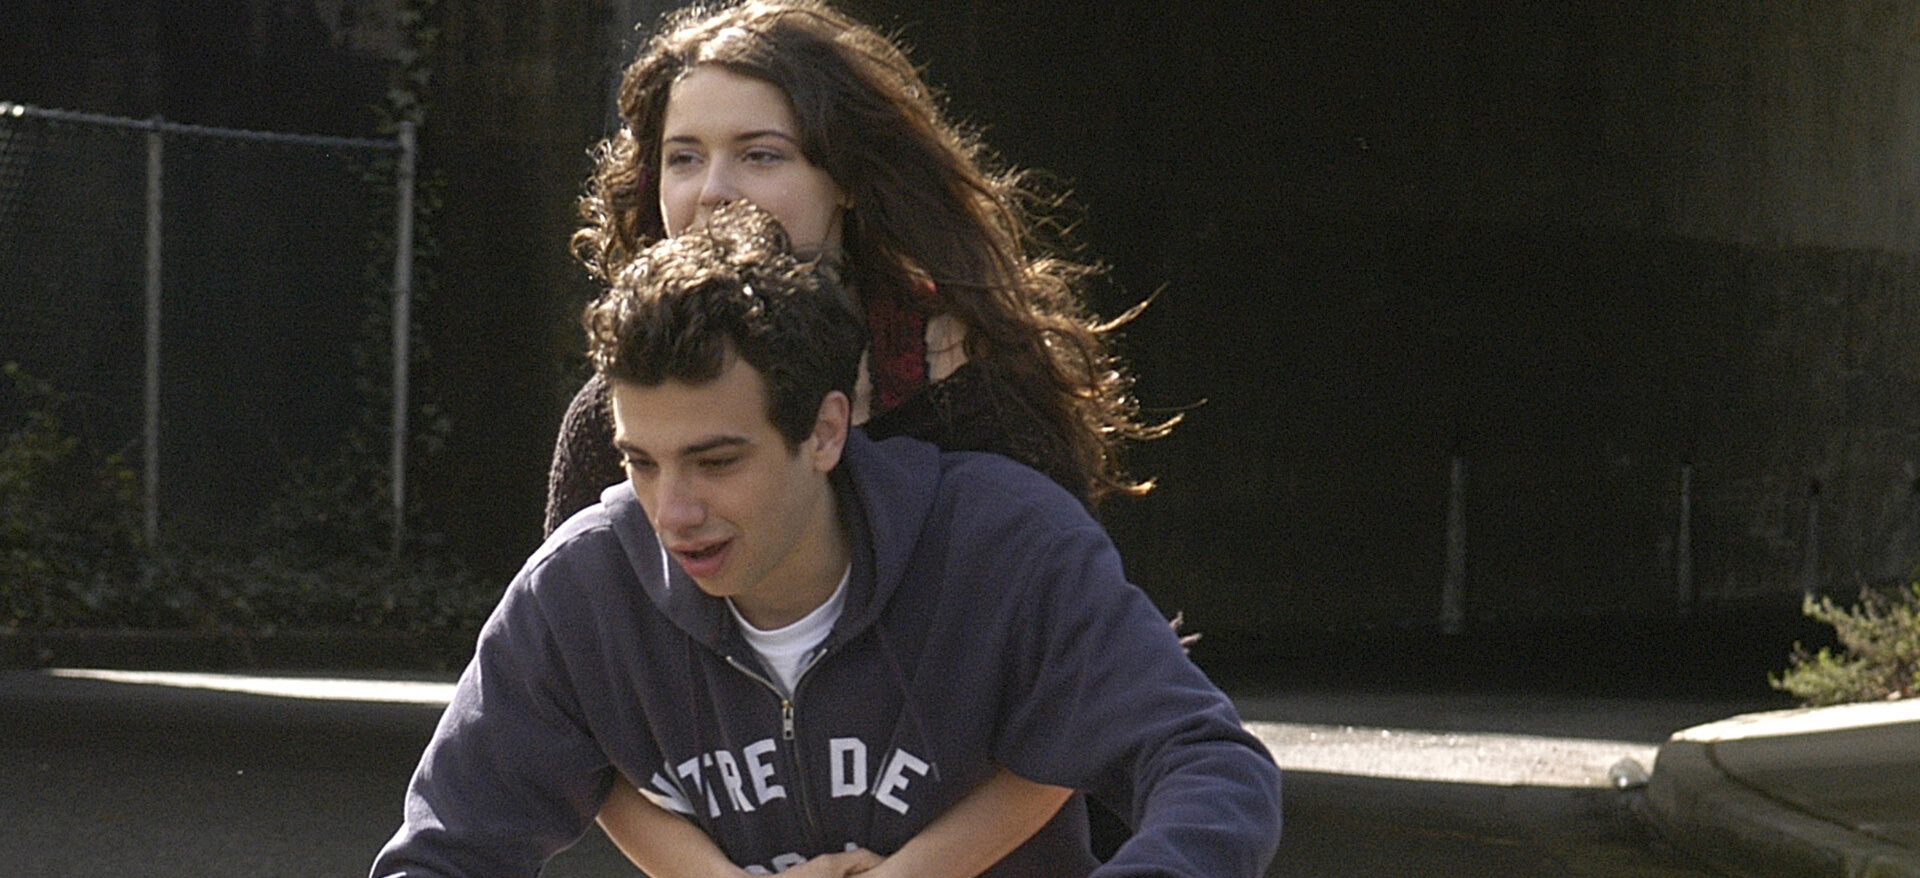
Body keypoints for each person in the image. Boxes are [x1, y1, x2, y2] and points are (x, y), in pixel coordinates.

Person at [372, 205, 1282, 877]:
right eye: (640, 462)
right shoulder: (580, 590)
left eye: (716, 461)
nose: (671, 511)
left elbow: (1211, 765)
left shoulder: (1007, 544)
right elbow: (442, 853)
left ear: (825, 430)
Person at [544, 0, 1184, 867]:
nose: (714, 190)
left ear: (845, 174)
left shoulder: (975, 382)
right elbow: (573, 703)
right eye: (683, 157)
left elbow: (1067, 690)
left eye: (761, 154)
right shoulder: (618, 418)